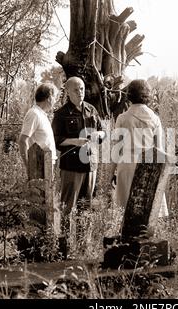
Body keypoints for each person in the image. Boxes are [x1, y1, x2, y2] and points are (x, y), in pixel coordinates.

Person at [51, 77, 105, 248]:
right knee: (68, 207)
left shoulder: (91, 109)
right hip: (71, 167)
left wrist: (99, 135)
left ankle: (83, 245)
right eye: (76, 89)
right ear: (67, 92)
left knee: (86, 206)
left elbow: (102, 131)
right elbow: (56, 139)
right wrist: (75, 141)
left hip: (90, 165)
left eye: (82, 88)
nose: (80, 92)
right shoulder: (61, 114)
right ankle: (65, 246)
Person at [110, 79, 169, 217]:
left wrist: (111, 173)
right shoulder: (154, 118)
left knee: (126, 212)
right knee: (146, 211)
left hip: (127, 167)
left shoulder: (122, 118)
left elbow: (116, 150)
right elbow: (158, 150)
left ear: (129, 95)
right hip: (147, 167)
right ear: (147, 96)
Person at [19, 83, 57, 178]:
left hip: (47, 165)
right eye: (55, 97)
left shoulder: (42, 114)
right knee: (39, 192)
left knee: (48, 192)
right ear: (49, 98)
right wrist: (29, 166)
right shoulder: (34, 114)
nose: (55, 101)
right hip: (38, 165)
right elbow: (22, 141)